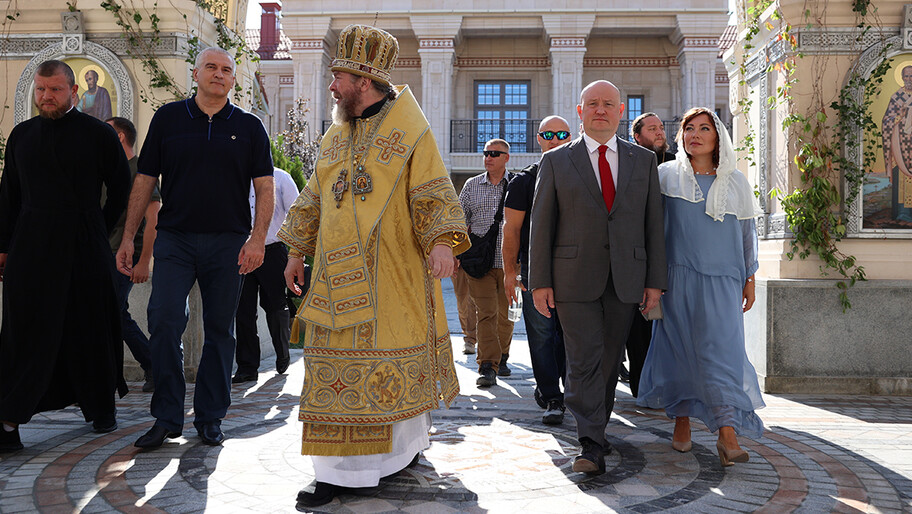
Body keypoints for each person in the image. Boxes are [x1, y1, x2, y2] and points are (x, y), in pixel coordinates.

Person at [279, 24, 469, 509]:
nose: (330, 85)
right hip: (333, 281)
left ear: (363, 80)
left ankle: (399, 454)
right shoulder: (335, 136)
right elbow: (314, 197)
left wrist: (444, 241)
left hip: (394, 277)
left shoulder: (410, 131)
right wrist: (296, 251)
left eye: (337, 76)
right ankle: (336, 473)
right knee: (330, 367)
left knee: (392, 355)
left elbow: (432, 189)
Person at [116, 47, 275, 450]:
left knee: (221, 330)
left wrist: (258, 239)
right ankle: (167, 418)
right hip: (175, 239)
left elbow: (265, 187)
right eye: (211, 67)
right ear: (196, 73)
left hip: (228, 243)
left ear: (233, 79)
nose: (218, 75)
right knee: (165, 319)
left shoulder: (250, 126)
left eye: (226, 70)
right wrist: (128, 239)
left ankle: (209, 418)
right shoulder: (169, 119)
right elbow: (145, 181)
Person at [529, 80, 666, 475]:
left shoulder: (643, 161)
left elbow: (653, 224)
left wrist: (655, 280)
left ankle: (596, 429)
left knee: (608, 361)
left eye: (608, 104)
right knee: (583, 358)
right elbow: (542, 224)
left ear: (621, 112)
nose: (600, 110)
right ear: (580, 111)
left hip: (626, 277)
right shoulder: (556, 161)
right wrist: (539, 282)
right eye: (593, 104)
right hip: (572, 278)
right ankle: (590, 442)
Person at [0, 60, 131, 452]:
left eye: (54, 90)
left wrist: (96, 226)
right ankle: (9, 422)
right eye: (41, 90)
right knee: (23, 331)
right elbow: (9, 195)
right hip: (31, 247)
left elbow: (121, 190)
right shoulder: (21, 135)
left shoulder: (98, 134)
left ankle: (100, 406)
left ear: (74, 91)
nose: (46, 97)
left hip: (83, 245)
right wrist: (4, 247)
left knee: (89, 324)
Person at [636, 107, 765, 467]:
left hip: (724, 280)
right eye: (688, 128)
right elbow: (652, 232)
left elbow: (745, 234)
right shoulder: (664, 176)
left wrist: (749, 277)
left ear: (717, 136)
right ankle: (681, 421)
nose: (694, 134)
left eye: (703, 128)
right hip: (676, 280)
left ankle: (727, 432)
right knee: (680, 350)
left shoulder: (736, 180)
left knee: (722, 354)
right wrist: (652, 282)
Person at [502, 116, 570, 424]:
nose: (555, 139)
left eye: (561, 134)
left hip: (577, 272)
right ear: (539, 139)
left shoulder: (584, 176)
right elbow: (511, 230)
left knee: (571, 335)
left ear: (571, 137)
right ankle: (551, 396)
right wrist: (508, 273)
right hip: (536, 270)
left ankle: (572, 392)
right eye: (548, 134)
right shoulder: (523, 181)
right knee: (542, 336)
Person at [623, 112, 676, 396]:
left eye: (661, 128)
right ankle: (643, 388)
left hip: (676, 257)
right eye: (652, 128)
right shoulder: (629, 165)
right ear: (637, 136)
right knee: (640, 328)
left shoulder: (679, 165)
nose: (659, 132)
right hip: (639, 260)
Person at [105, 116, 160, 393]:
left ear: (120, 137)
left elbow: (154, 219)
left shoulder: (140, 170)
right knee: (110, 314)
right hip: (104, 254)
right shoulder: (108, 171)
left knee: (113, 313)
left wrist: (143, 262)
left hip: (126, 258)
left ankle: (151, 364)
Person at [232, 167, 299, 383]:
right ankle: (247, 367)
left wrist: (296, 252)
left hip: (273, 250)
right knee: (243, 311)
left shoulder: (281, 178)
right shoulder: (236, 177)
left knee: (276, 305)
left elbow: (297, 212)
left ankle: (282, 352)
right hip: (241, 253)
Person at [459, 139, 515, 387]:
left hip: (510, 264)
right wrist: (455, 253)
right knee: (486, 314)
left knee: (506, 316)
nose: (488, 157)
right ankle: (487, 365)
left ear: (506, 158)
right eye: (485, 153)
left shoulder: (517, 185)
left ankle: (502, 356)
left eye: (494, 154)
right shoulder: (471, 186)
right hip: (479, 263)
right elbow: (460, 220)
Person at [880, 65, 912, 222]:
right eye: (906, 76)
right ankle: (903, 213)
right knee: (902, 177)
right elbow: (887, 121)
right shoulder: (897, 97)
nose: (909, 80)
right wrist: (901, 114)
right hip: (902, 145)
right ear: (902, 78)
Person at [451, 264, 478, 355]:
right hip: (459, 259)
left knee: (484, 301)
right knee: (463, 301)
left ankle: (472, 339)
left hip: (482, 257)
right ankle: (469, 337)